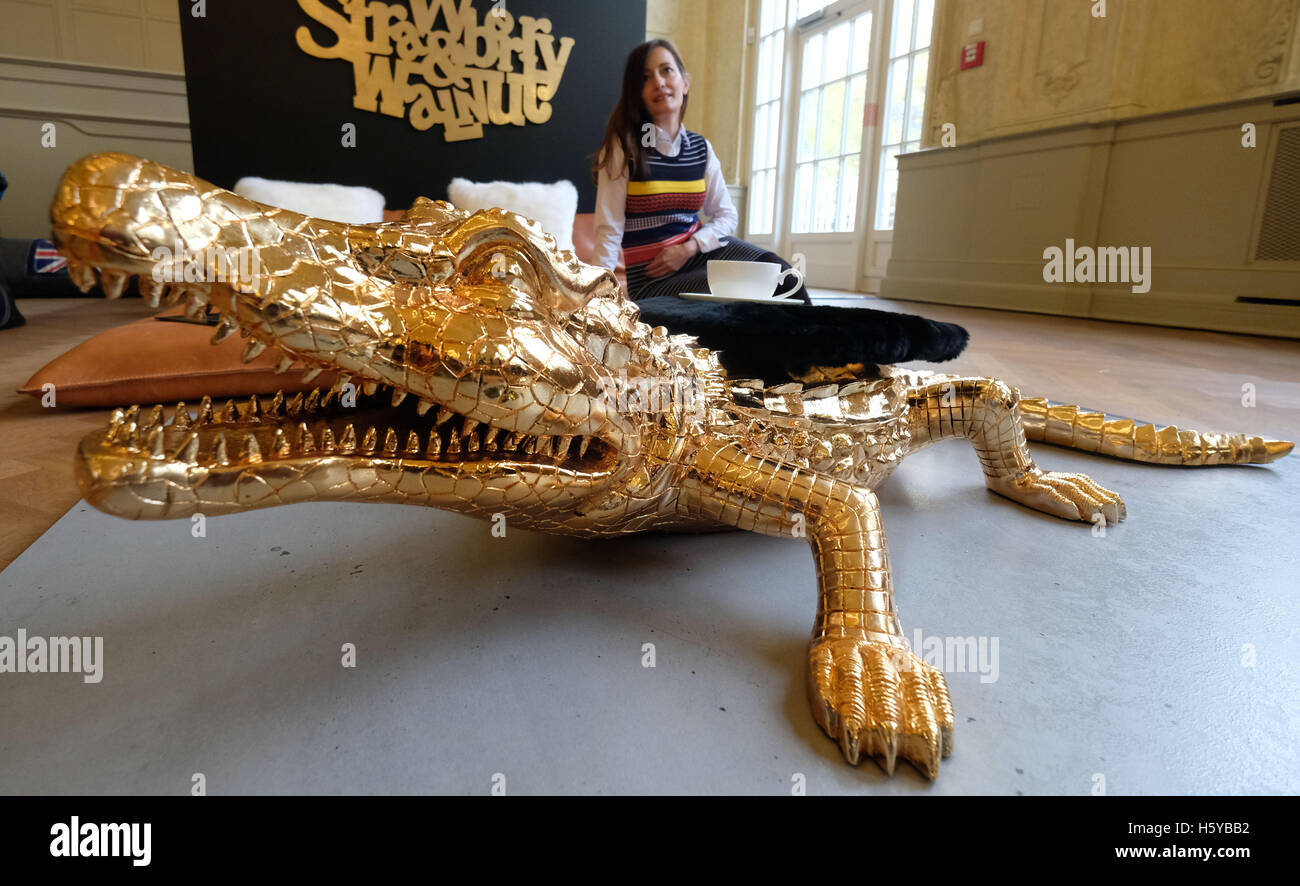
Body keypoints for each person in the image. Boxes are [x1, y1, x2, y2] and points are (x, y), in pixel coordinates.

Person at [591, 39, 811, 304]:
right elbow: (609, 230)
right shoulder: (622, 149)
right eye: (646, 77)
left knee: (784, 276)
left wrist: (689, 247)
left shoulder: (701, 148)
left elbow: (726, 215)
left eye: (666, 70)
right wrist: (597, 299)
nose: (659, 82)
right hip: (653, 280)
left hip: (699, 254)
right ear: (637, 93)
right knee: (738, 292)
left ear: (685, 82)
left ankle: (809, 342)